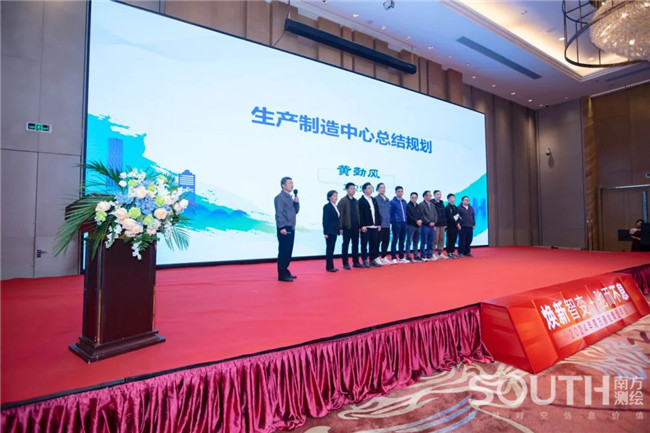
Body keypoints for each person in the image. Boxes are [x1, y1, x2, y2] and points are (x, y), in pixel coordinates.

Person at [274, 176, 299, 282]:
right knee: (284, 251)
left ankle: (285, 271)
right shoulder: (280, 197)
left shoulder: (290, 197)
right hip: (284, 227)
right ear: (283, 185)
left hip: (291, 226)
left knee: (288, 251)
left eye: (292, 183)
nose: (292, 185)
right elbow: (279, 213)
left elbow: (295, 211)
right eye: (289, 183)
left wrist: (296, 203)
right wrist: (281, 227)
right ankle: (282, 274)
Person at [337, 182, 363, 270]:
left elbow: (359, 214)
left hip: (355, 225)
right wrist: (340, 227)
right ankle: (345, 263)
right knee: (346, 244)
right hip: (347, 226)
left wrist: (360, 225)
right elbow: (340, 215)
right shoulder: (343, 201)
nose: (353, 190)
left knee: (355, 244)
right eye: (351, 188)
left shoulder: (356, 201)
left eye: (354, 189)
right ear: (347, 189)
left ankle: (356, 262)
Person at [359, 182, 383, 267]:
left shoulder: (374, 200)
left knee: (374, 244)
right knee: (364, 244)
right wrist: (361, 225)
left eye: (371, 188)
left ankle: (373, 259)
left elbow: (377, 212)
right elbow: (360, 214)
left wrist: (378, 223)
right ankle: (364, 260)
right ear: (364, 190)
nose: (370, 189)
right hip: (365, 226)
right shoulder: (361, 201)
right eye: (368, 188)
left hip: (374, 226)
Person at [322, 190, 341, 272]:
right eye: (334, 196)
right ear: (329, 197)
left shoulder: (336, 206)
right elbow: (325, 220)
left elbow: (337, 219)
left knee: (332, 248)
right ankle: (329, 267)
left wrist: (339, 229)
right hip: (329, 231)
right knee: (329, 249)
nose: (336, 197)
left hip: (334, 230)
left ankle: (331, 266)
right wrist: (325, 232)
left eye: (336, 196)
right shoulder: (327, 206)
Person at [390, 186, 409, 264]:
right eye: (398, 191)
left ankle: (401, 257)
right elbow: (390, 213)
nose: (400, 193)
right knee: (395, 240)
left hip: (404, 222)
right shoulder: (392, 202)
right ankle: (393, 257)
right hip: (396, 223)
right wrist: (393, 221)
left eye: (401, 191)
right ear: (395, 192)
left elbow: (406, 212)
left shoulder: (404, 201)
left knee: (402, 240)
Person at [375, 183, 392, 265]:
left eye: (384, 187)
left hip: (387, 224)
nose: (383, 189)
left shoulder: (387, 199)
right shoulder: (375, 199)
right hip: (380, 224)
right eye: (381, 187)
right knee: (378, 242)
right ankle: (376, 257)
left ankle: (384, 257)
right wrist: (378, 223)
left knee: (386, 241)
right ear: (377, 189)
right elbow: (375, 213)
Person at [419, 190, 437, 261]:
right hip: (425, 225)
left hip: (432, 226)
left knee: (430, 241)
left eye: (430, 195)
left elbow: (435, 214)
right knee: (423, 241)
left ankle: (430, 255)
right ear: (425, 196)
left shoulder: (432, 205)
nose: (430, 197)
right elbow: (422, 215)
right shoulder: (421, 204)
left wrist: (434, 222)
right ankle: (423, 255)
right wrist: (428, 222)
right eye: (428, 195)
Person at [406, 192, 423, 262]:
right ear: (410, 198)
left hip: (418, 226)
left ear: (417, 198)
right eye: (412, 197)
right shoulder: (408, 205)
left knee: (416, 241)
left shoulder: (418, 206)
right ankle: (408, 256)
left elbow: (421, 214)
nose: (414, 199)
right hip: (411, 225)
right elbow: (408, 215)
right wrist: (416, 221)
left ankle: (415, 255)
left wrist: (420, 220)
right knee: (409, 241)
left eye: (415, 197)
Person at [432, 190, 448, 259]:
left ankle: (440, 252)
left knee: (441, 239)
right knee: (435, 239)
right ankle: (432, 253)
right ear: (434, 195)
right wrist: (434, 223)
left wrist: (445, 223)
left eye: (440, 194)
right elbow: (432, 214)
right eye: (437, 194)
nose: (439, 196)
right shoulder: (432, 203)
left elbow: (444, 214)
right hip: (436, 224)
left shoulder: (442, 203)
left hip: (442, 224)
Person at [445, 193, 461, 258]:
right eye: (451, 198)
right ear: (448, 199)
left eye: (454, 198)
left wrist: (458, 223)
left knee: (454, 238)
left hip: (456, 226)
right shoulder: (447, 207)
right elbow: (450, 217)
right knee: (450, 239)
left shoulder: (455, 207)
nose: (453, 199)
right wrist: (456, 224)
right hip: (450, 226)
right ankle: (449, 252)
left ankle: (452, 251)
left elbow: (458, 216)